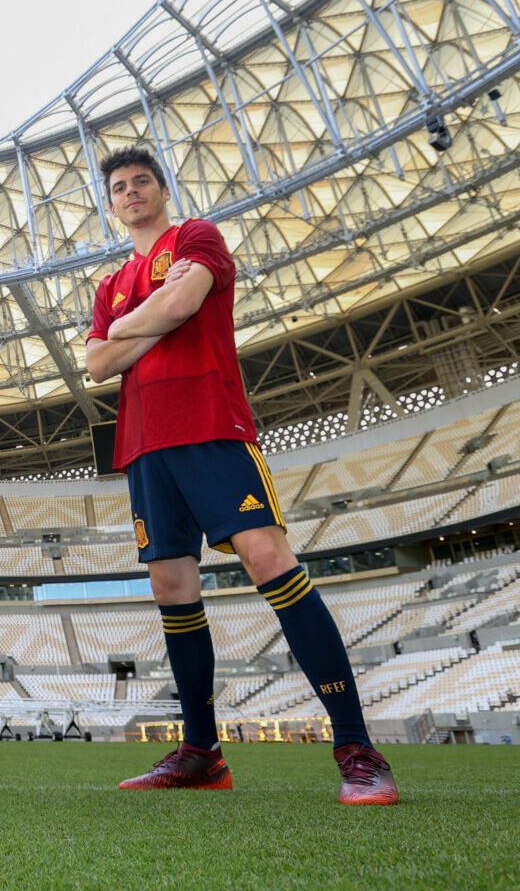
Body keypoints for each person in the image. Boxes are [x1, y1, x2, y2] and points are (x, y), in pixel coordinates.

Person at [84, 146, 398, 805]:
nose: (132, 191)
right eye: (119, 186)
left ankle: (356, 747)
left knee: (266, 557)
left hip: (210, 424)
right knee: (171, 584)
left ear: (162, 191)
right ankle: (201, 753)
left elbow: (181, 304)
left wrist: (131, 329)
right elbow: (96, 365)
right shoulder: (109, 284)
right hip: (143, 443)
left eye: (142, 180)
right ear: (109, 204)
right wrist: (145, 322)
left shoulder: (196, 238)